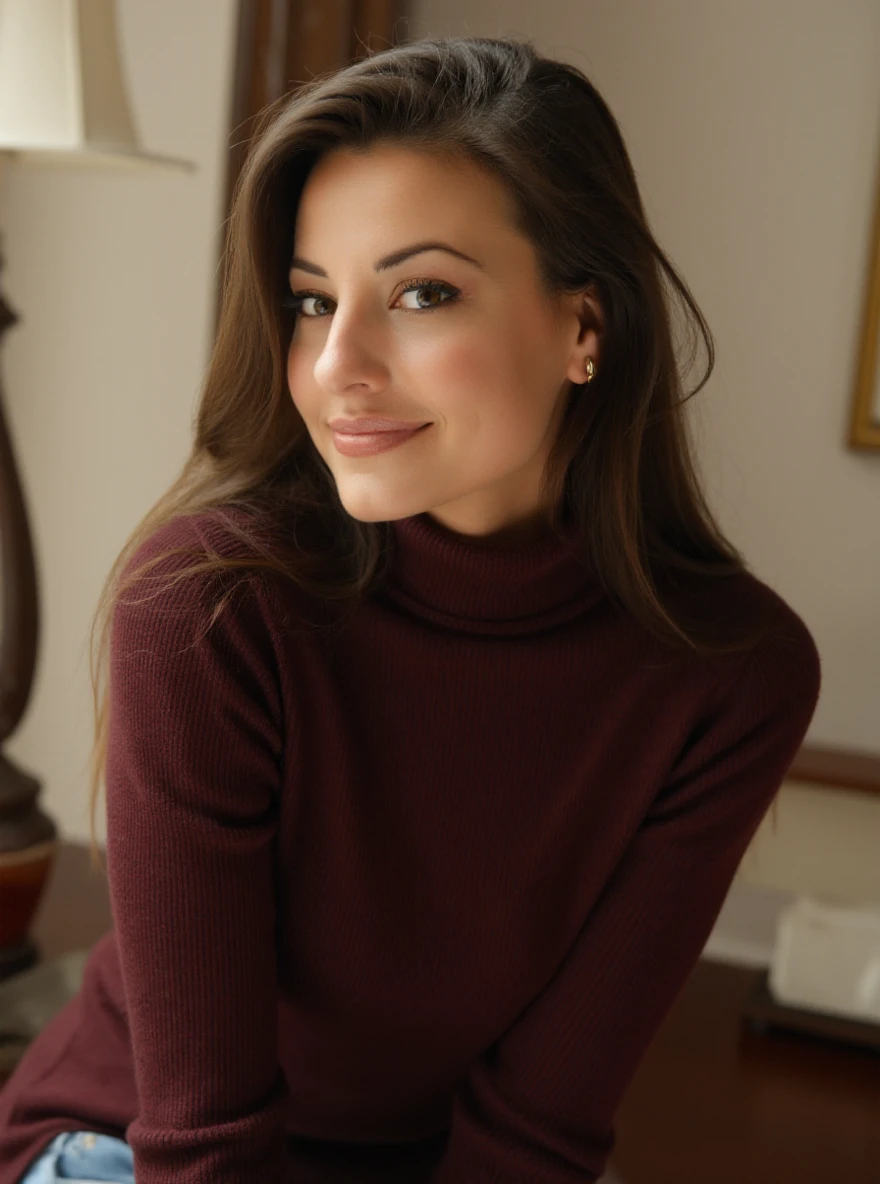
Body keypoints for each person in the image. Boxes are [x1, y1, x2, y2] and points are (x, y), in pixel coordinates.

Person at [0, 34, 820, 1184]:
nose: (338, 363)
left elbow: (540, 1126)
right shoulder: (206, 609)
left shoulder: (732, 674)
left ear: (585, 326)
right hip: (132, 1146)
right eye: (310, 300)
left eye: (422, 293)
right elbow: (204, 1144)